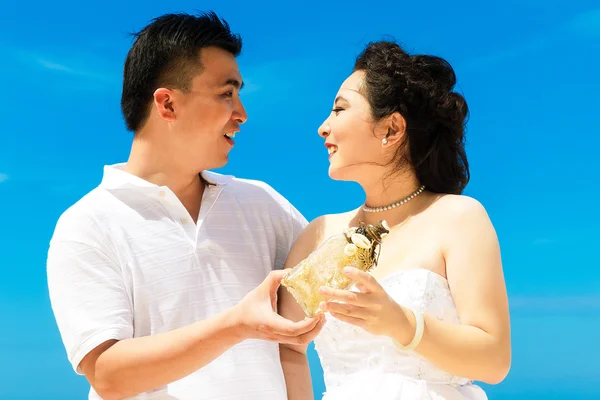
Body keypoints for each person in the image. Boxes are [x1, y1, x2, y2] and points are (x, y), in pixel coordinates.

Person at [46, 11, 324, 400]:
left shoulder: (262, 203)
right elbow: (108, 374)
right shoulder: (87, 224)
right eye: (226, 94)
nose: (241, 114)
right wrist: (236, 326)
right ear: (168, 104)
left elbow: (321, 299)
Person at [278, 40, 511, 399]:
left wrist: (403, 324)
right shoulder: (319, 233)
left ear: (391, 129)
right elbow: (288, 346)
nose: (323, 128)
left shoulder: (458, 218)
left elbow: (494, 361)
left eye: (339, 110)